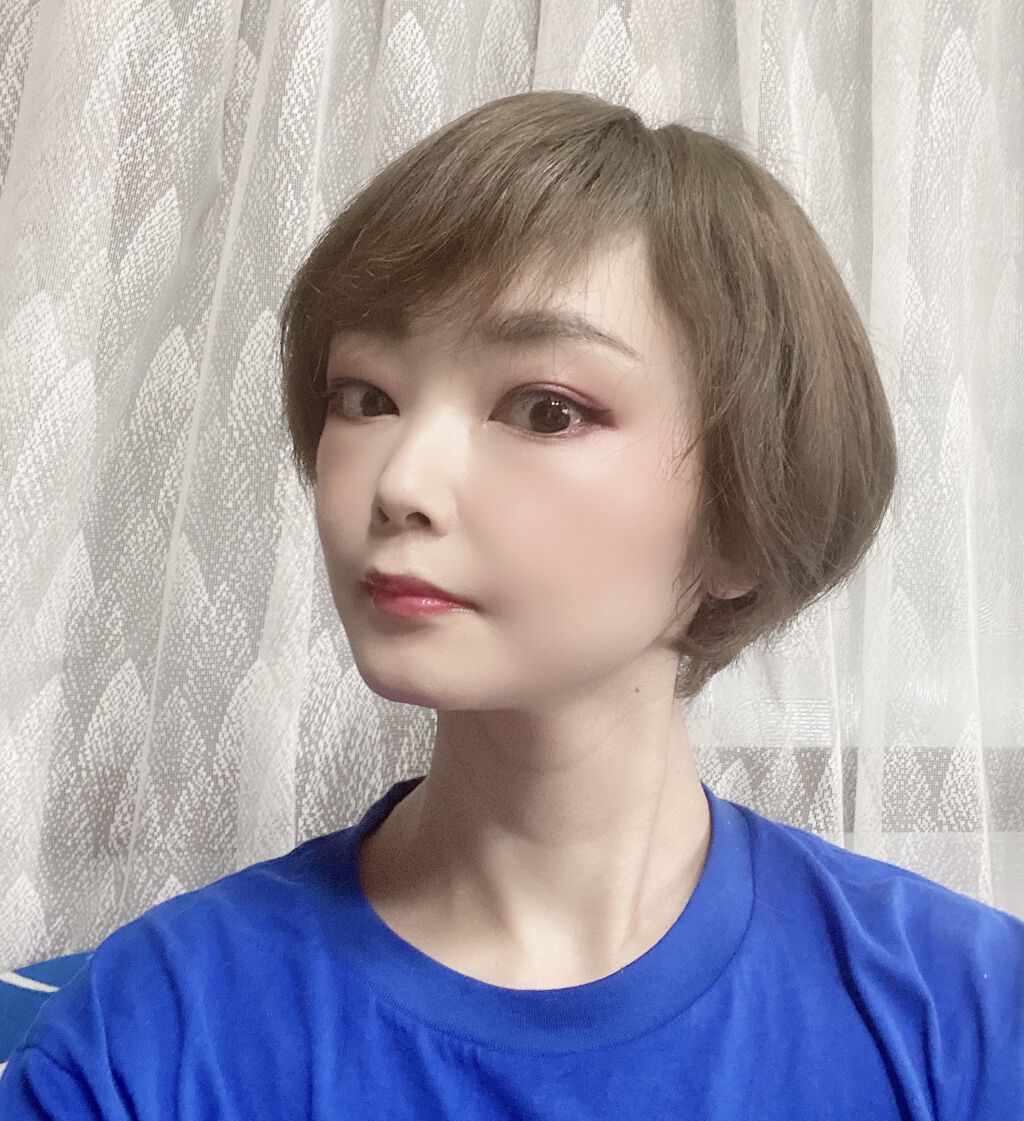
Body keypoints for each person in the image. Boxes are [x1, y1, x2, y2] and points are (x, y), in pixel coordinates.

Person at [1, 88, 1021, 1121]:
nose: (401, 482)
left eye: (544, 409)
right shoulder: (155, 1031)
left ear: (741, 518)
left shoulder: (964, 1018)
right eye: (365, 395)